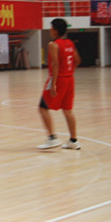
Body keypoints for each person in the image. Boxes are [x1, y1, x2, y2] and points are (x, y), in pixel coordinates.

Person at [37, 18, 81, 150]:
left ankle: (52, 138)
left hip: (58, 79)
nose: (50, 30)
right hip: (70, 78)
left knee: (42, 107)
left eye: (51, 28)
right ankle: (73, 140)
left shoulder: (53, 44)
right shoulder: (70, 43)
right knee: (67, 110)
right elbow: (77, 60)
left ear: (55, 30)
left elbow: (55, 64)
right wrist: (69, 71)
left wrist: (54, 83)